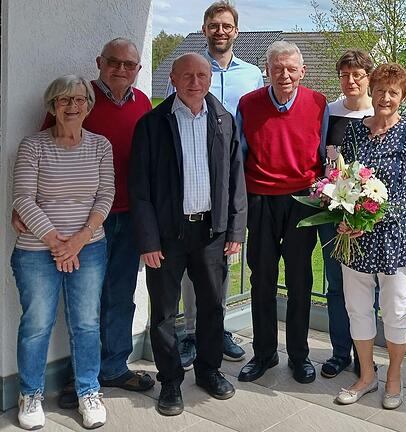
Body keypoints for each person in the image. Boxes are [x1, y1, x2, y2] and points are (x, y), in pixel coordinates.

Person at [13, 37, 156, 410]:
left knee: (119, 296)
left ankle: (112, 368)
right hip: (82, 225)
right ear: (100, 62)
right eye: (114, 62)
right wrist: (35, 218)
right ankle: (77, 381)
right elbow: (49, 153)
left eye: (130, 65)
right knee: (76, 309)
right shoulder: (78, 96)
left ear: (138, 70)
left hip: (126, 215)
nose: (122, 69)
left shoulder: (142, 102)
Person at [129, 53, 247, 416]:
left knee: (212, 306)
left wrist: (235, 228)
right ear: (174, 79)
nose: (195, 82)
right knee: (164, 313)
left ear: (210, 78)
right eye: (187, 76)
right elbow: (140, 187)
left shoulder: (223, 119)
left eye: (202, 75)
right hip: (167, 236)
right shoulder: (153, 123)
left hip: (211, 232)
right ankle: (170, 382)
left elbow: (235, 179)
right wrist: (147, 240)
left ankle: (209, 372)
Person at [11, 75, 114, 429]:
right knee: (37, 325)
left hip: (88, 249)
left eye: (79, 100)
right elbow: (23, 199)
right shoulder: (32, 146)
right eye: (63, 100)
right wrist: (58, 243)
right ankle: (30, 394)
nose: (72, 106)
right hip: (36, 252)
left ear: (89, 104)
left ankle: (89, 391)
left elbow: (105, 196)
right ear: (52, 106)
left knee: (86, 324)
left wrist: (78, 241)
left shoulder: (101, 146)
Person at [170, 0, 264, 373]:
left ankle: (217, 327)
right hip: (193, 173)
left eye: (227, 25)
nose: (220, 31)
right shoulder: (190, 69)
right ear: (205, 28)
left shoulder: (253, 73)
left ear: (236, 31)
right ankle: (192, 331)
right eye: (214, 25)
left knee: (222, 256)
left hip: (231, 177)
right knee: (194, 255)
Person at [332, 63, 406, 409]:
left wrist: (373, 215)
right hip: (355, 238)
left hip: (395, 239)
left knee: (395, 310)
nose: (385, 97)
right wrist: (345, 214)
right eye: (379, 90)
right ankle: (366, 375)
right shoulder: (356, 131)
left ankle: (394, 376)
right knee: (357, 309)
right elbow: (343, 178)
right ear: (370, 92)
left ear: (402, 96)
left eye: (393, 92)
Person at [236, 41, 327, 385]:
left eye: (291, 69)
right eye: (278, 68)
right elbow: (239, 155)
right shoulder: (249, 104)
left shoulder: (318, 104)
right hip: (260, 199)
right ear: (267, 71)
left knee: (300, 278)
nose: (285, 75)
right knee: (261, 279)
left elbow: (323, 156)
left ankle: (299, 356)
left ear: (303, 72)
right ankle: (264, 353)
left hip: (302, 201)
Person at [320, 49, 377, 379]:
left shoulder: (379, 112)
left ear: (368, 77)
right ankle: (340, 351)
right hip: (332, 216)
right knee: (336, 285)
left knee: (369, 288)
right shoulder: (328, 113)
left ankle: (364, 354)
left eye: (357, 74)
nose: (351, 81)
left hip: (366, 218)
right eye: (345, 74)